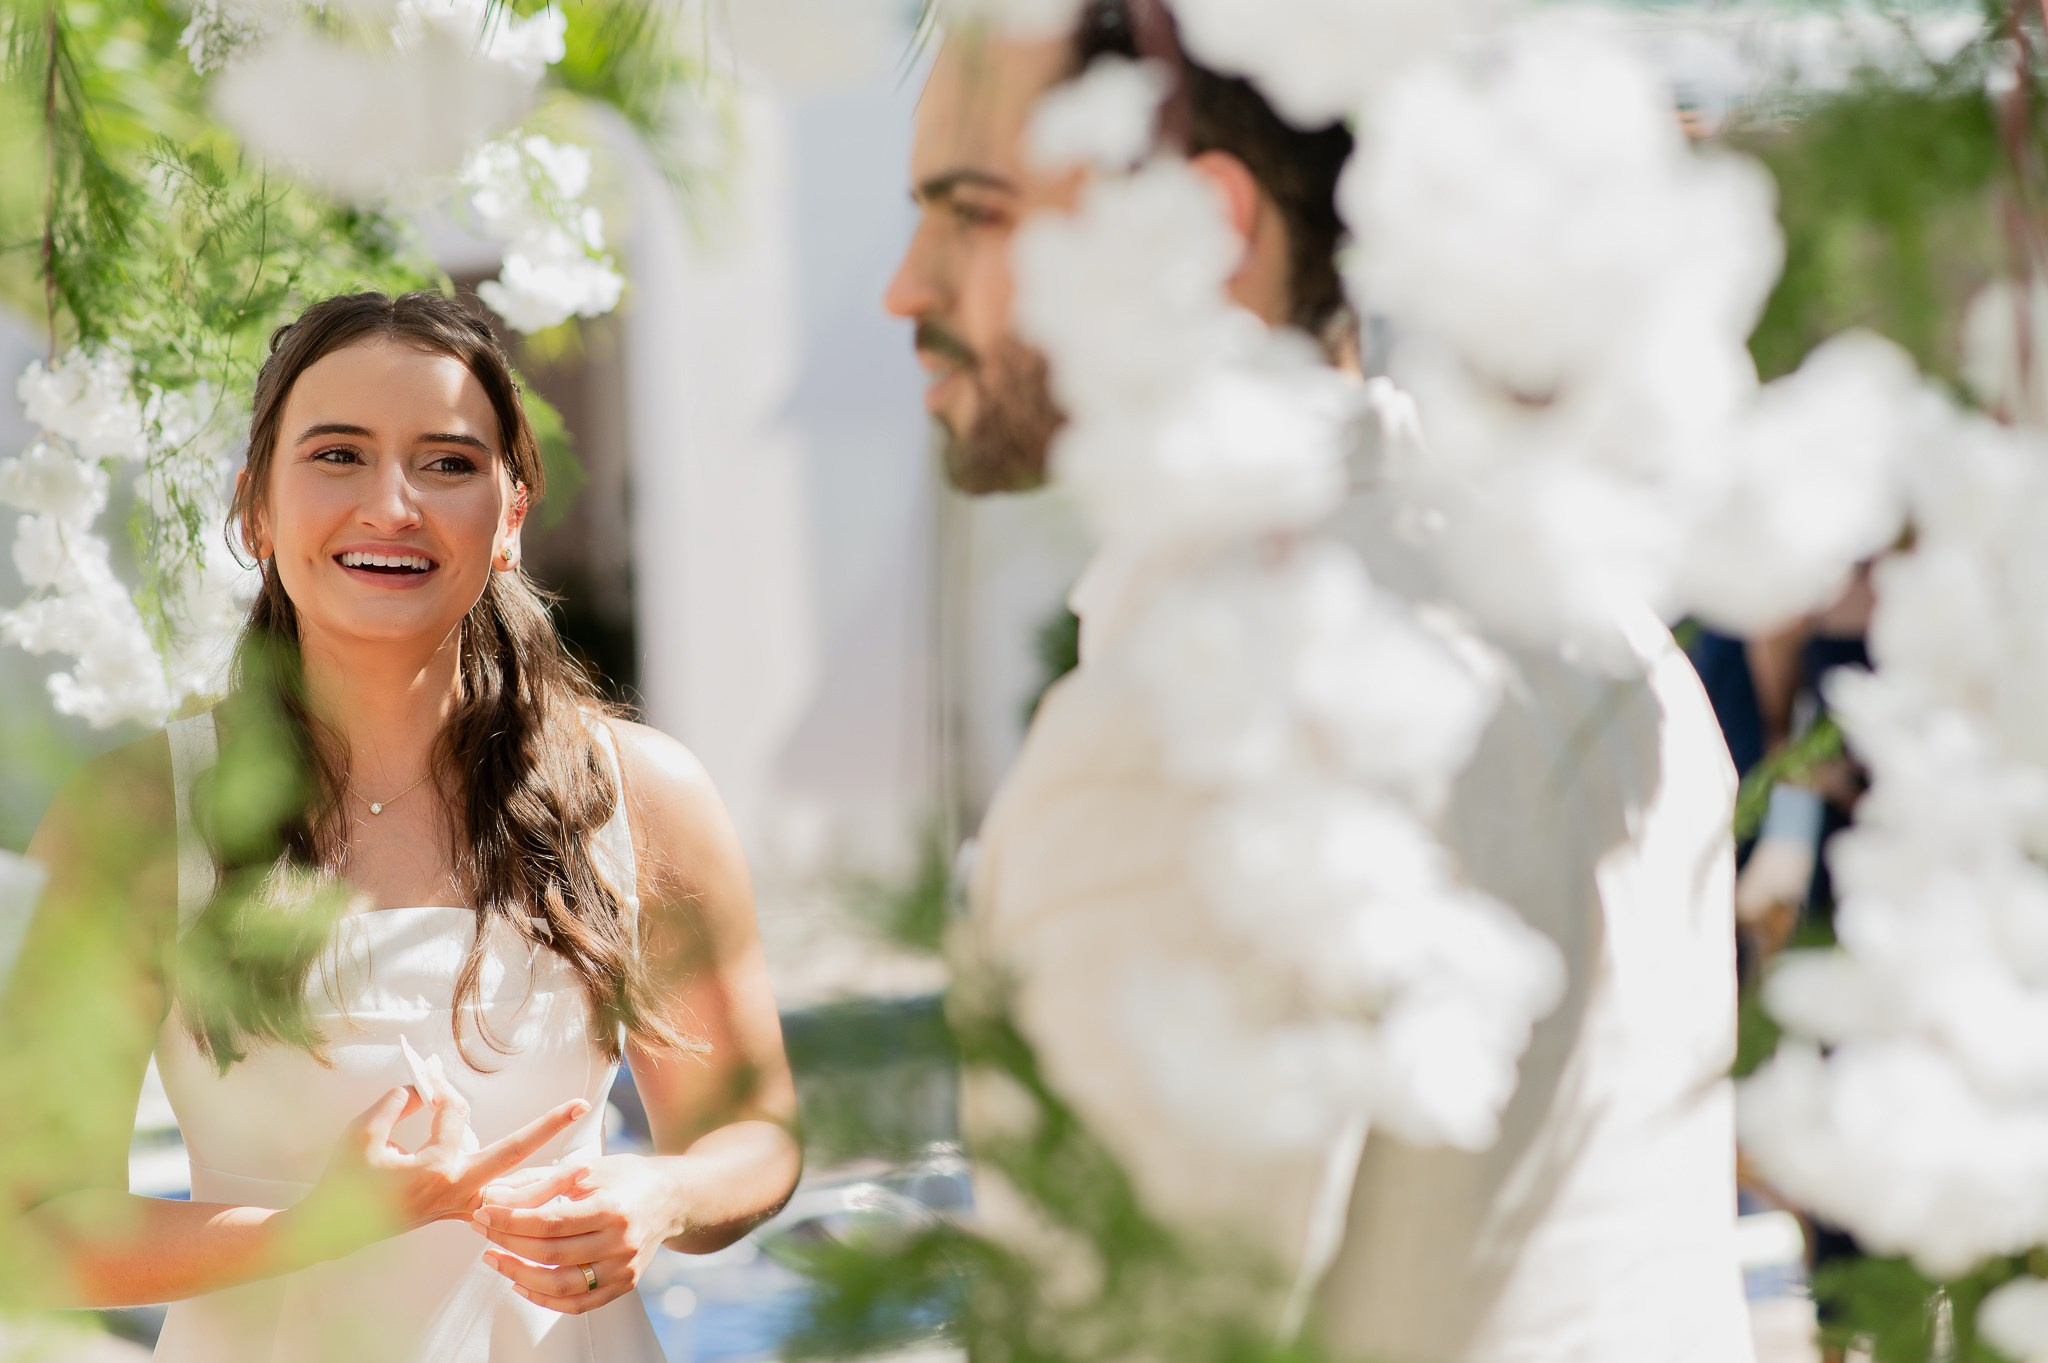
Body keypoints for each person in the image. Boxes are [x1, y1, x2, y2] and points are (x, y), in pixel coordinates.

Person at [884, 6, 1756, 1360]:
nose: (906, 284)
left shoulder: (1185, 732)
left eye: (971, 211)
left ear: (1209, 233)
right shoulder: (1601, 627)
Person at [0, 291, 800, 1360]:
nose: (392, 504)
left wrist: (660, 1191)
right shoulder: (137, 816)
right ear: (256, 511)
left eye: (448, 463)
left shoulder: (641, 794)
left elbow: (753, 1137)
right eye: (337, 455)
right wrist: (314, 1228)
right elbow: (35, 1224)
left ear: (511, 515)